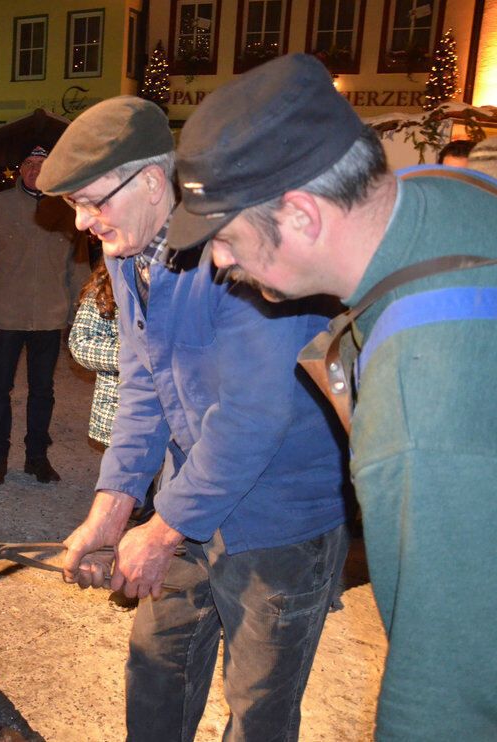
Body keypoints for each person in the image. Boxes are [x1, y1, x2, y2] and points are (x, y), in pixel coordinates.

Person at [166, 53, 497, 741]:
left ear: (303, 215)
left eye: (225, 237)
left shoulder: (419, 400)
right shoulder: (445, 191)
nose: (219, 262)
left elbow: (448, 692)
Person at [38, 95, 350, 741]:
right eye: (72, 205)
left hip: (282, 519)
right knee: (157, 669)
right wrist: (115, 503)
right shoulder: (128, 258)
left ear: (154, 181)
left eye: (94, 201)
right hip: (193, 496)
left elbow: (254, 413)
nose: (82, 223)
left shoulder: (242, 251)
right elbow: (143, 384)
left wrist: (162, 530)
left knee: (258, 706)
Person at [0, 144, 89, 484]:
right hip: (6, 316)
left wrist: (80, 313)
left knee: (42, 392)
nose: (35, 170)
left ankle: (37, 457)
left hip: (49, 318)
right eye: (29, 163)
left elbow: (78, 267)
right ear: (19, 169)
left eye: (42, 164)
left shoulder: (68, 210)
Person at [68, 260, 119, 448]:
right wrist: (131, 355)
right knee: (130, 472)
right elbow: (81, 342)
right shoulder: (107, 285)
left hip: (178, 404)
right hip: (123, 406)